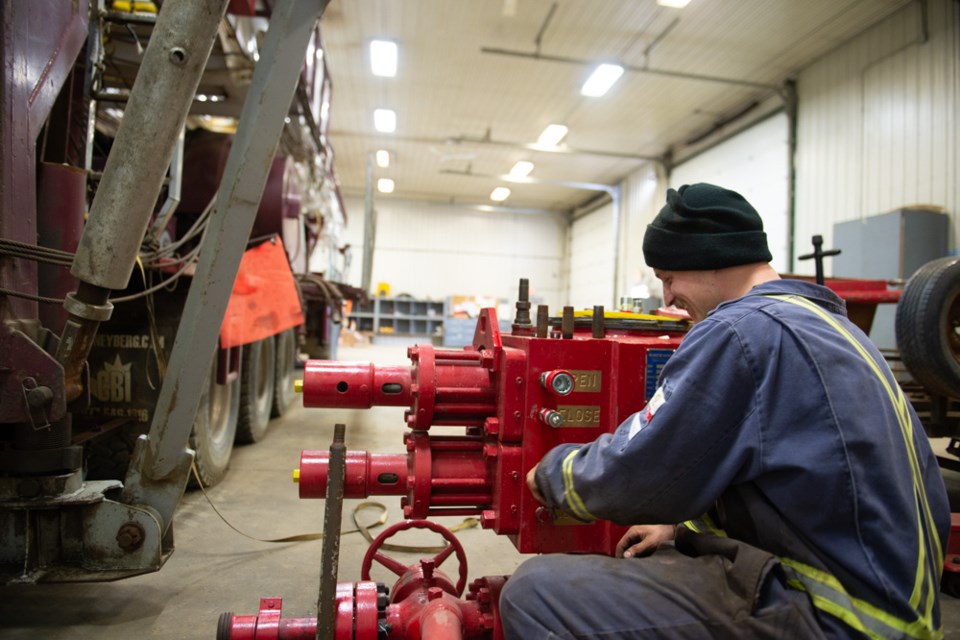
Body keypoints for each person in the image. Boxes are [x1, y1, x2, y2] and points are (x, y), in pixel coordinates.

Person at [500, 183, 951, 639]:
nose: (668, 297)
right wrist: (682, 529)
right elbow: (787, 478)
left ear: (710, 258)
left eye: (669, 277)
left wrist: (549, 474)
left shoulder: (740, 333)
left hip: (836, 619)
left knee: (535, 593)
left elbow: (639, 469)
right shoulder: (834, 329)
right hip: (894, 612)